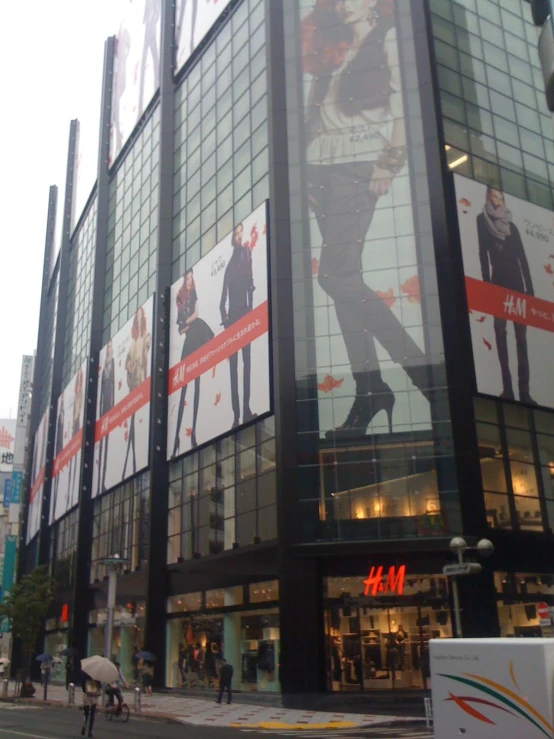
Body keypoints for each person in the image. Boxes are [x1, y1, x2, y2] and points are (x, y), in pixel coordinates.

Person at [302, 0, 431, 439]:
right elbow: (316, 113)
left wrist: (389, 162)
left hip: (361, 169)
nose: (343, 3)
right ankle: (370, 389)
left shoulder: (388, 38)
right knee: (345, 278)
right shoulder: (333, 43)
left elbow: (403, 109)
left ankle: (417, 372)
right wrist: (304, 173)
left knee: (336, 277)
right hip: (322, 174)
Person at [477, 187, 536, 404]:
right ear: (488, 198)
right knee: (500, 337)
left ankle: (525, 392)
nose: (498, 201)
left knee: (521, 339)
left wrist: (530, 290)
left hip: (517, 286)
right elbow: (482, 255)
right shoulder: (481, 222)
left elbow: (523, 260)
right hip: (497, 286)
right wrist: (485, 287)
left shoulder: (513, 228)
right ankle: (508, 389)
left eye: (501, 197)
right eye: (494, 197)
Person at [172, 269, 215, 456]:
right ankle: (176, 438)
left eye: (191, 278)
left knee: (197, 385)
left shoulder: (195, 294)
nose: (189, 281)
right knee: (183, 389)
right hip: (189, 342)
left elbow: (195, 316)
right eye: (187, 278)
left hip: (196, 338)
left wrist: (186, 322)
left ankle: (193, 433)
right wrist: (187, 323)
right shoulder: (180, 299)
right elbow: (180, 330)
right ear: (184, 281)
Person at [219, 223, 257, 429]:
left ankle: (246, 410)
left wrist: (251, 307)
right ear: (232, 238)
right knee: (234, 367)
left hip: (244, 314)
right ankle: (236, 415)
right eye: (237, 234)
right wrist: (225, 320)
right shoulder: (229, 267)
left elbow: (251, 282)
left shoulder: (246, 255)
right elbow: (221, 300)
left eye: (241, 233)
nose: (240, 237)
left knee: (247, 363)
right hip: (233, 319)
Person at [123, 306, 151, 479]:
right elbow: (127, 362)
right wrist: (130, 365)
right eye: (137, 317)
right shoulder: (133, 342)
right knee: (133, 416)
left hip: (142, 378)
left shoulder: (146, 336)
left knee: (138, 417)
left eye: (141, 316)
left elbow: (147, 354)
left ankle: (133, 459)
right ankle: (132, 459)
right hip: (133, 380)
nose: (139, 319)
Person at [97, 339, 115, 496]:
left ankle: (102, 481)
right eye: (108, 347)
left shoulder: (113, 363)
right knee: (101, 446)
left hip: (110, 407)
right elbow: (100, 393)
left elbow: (113, 384)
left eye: (110, 347)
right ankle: (98, 483)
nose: (109, 350)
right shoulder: (103, 369)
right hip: (103, 410)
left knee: (107, 445)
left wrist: (114, 407)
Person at [139, 0, 161, 112]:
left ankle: (157, 85)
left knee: (155, 58)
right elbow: (144, 18)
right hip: (148, 31)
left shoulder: (157, 3)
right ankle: (141, 100)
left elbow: (157, 12)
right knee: (147, 61)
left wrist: (153, 17)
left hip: (151, 31)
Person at [67, 366, 84, 507]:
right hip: (75, 432)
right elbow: (73, 417)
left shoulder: (81, 396)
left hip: (79, 431)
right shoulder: (75, 397)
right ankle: (71, 496)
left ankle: (73, 495)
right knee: (72, 465)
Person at [81, 671, 101, 738]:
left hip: (88, 696)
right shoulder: (97, 678)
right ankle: (90, 731)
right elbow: (99, 689)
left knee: (86, 713)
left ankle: (85, 726)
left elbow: (83, 688)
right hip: (93, 697)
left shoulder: (85, 676)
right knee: (92, 714)